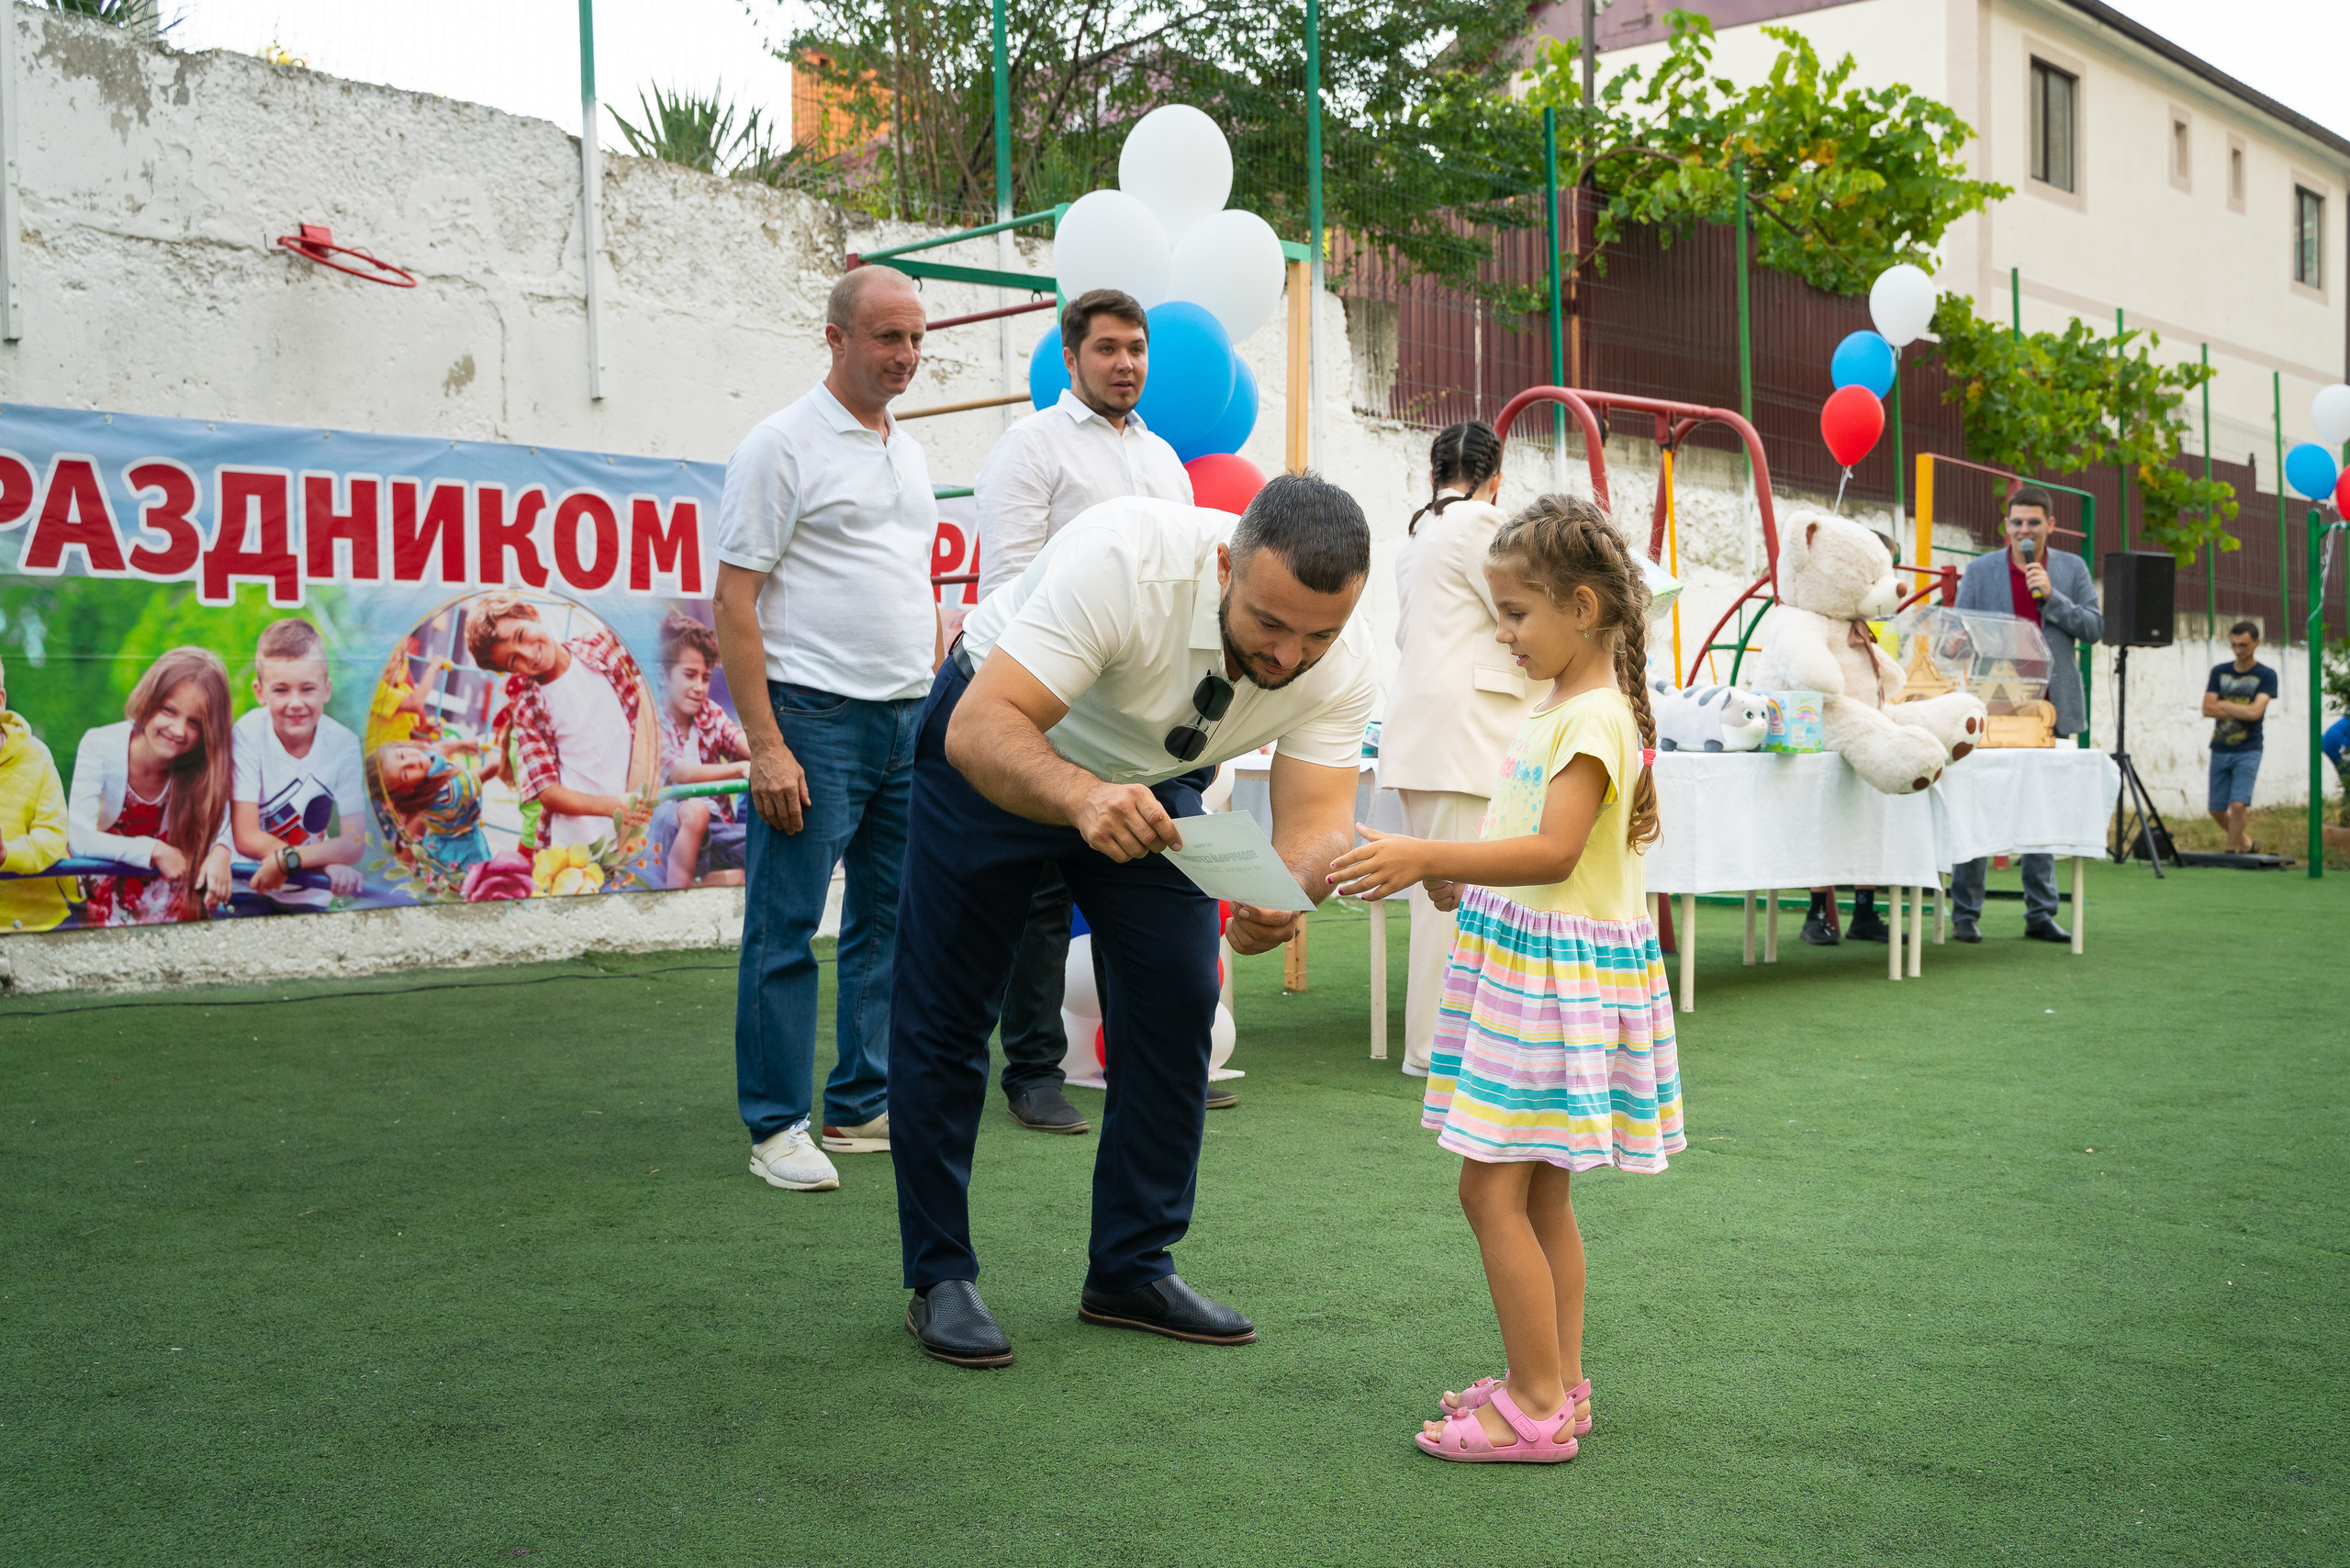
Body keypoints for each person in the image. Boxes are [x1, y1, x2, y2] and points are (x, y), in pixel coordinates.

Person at [889, 479, 1377, 1368]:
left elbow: (1315, 821)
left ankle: (1130, 1265)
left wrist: (1291, 884)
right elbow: (979, 726)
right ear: (1224, 564)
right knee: (948, 1011)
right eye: (1269, 623)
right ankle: (940, 1276)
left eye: (1318, 633)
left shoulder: (1342, 662)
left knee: (1177, 998)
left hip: (1152, 783)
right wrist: (1079, 796)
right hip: (1000, 747)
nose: (1287, 654)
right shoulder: (1122, 559)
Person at [1329, 493, 1680, 1463]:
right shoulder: (1567, 709)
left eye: (1516, 613)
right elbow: (1529, 844)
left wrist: (1421, 851)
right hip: (1542, 976)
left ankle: (1531, 1404)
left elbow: (1556, 852)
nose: (1501, 632)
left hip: (1549, 994)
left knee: (1490, 1197)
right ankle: (1556, 1385)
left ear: (1581, 606)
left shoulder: (1594, 717)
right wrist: (1452, 874)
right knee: (1537, 1200)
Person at [712, 263, 941, 1193]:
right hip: (811, 719)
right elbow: (733, 601)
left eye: (917, 338)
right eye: (887, 337)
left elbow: (908, 575)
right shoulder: (781, 444)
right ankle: (775, 1127)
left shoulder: (907, 448)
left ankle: (859, 1101)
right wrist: (766, 743)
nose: (905, 355)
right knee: (785, 928)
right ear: (836, 338)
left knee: (888, 923)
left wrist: (925, 683)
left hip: (904, 717)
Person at [974, 286, 1197, 1134]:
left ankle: (1144, 1063)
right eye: (1107, 349)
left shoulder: (1166, 460)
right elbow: (1006, 587)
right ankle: (1033, 1073)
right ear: (1071, 360)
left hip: (1144, 718)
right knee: (1036, 902)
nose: (1125, 364)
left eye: (1136, 349)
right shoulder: (1030, 447)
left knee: (1143, 889)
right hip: (1052, 704)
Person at [1379, 420, 1538, 1077]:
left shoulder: (1416, 536)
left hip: (1426, 731)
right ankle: (1436, 1051)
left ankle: (1436, 1045)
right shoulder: (1478, 524)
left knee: (1439, 893)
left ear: (1433, 471)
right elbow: (1520, 604)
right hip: (1463, 730)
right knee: (1457, 896)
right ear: (1496, 477)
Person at [1948, 486, 2101, 943]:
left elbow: (2093, 628)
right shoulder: (1980, 571)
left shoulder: (2071, 569)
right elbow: (1958, 631)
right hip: (1995, 707)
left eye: (2034, 523)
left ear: (2050, 526)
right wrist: (1957, 642)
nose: (2024, 531)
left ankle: (2040, 913)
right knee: (1977, 803)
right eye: (2017, 523)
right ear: (2007, 526)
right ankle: (1965, 915)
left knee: (2043, 807)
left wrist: (2052, 597)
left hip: (2054, 708)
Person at [467, 595, 655, 855]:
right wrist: (613, 806)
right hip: (576, 843)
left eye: (521, 636)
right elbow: (548, 792)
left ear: (532, 613)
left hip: (634, 819)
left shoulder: (601, 648)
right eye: (513, 661)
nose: (528, 655)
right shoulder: (529, 711)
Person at [68, 646, 235, 925]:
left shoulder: (202, 769)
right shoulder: (100, 746)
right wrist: (153, 850)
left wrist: (221, 851)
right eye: (169, 711)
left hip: (176, 921)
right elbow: (80, 838)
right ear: (149, 700)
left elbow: (226, 826)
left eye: (194, 723)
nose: (178, 730)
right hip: (107, 920)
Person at [232, 619, 369, 908]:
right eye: (281, 690)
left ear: (326, 689)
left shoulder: (343, 744)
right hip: (248, 882)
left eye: (307, 689)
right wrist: (315, 863)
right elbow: (245, 836)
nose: (295, 702)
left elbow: (353, 842)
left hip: (310, 892)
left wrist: (287, 861)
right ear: (260, 692)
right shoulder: (247, 733)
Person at [646, 611, 750, 890]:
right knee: (695, 811)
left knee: (764, 841)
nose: (699, 688)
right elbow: (679, 772)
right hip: (668, 825)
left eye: (705, 678)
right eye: (689, 675)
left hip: (716, 828)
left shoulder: (708, 713)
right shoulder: (654, 718)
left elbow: (739, 739)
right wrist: (739, 768)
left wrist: (763, 754)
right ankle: (677, 901)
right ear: (664, 673)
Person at [0, 652, 73, 933]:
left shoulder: (37, 755)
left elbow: (54, 838)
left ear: (1, 700)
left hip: (39, 928)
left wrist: (8, 855)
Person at [2202, 621, 2277, 853]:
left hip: (2249, 748)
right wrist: (2240, 709)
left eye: (2243, 645)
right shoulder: (2219, 671)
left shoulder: (2266, 675)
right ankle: (2246, 843)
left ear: (2257, 643)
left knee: (2238, 804)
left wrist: (2224, 703)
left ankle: (2231, 851)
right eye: (2233, 645)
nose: (2237, 651)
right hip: (2220, 747)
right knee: (2216, 808)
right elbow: (2207, 709)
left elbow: (2256, 713)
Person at [369, 739, 491, 879]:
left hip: (445, 838)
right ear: (406, 790)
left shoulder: (426, 760)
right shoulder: (441, 794)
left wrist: (463, 744)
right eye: (405, 774)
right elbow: (485, 773)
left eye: (402, 755)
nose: (412, 762)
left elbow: (441, 748)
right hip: (459, 848)